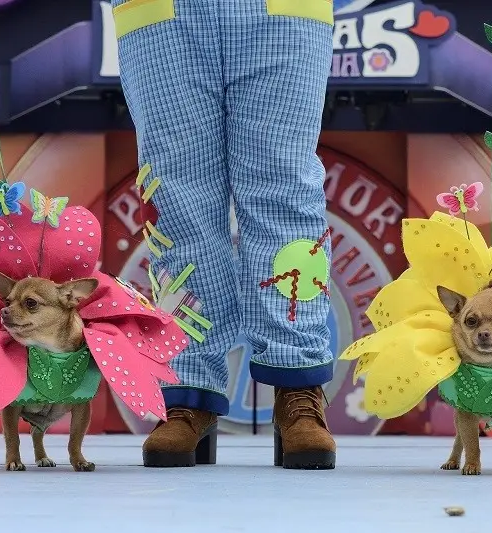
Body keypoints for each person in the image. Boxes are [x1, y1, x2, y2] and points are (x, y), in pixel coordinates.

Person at [111, 0, 336, 469]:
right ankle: (187, 390)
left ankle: (298, 388)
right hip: (161, 12)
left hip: (285, 12)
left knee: (287, 191)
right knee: (175, 201)